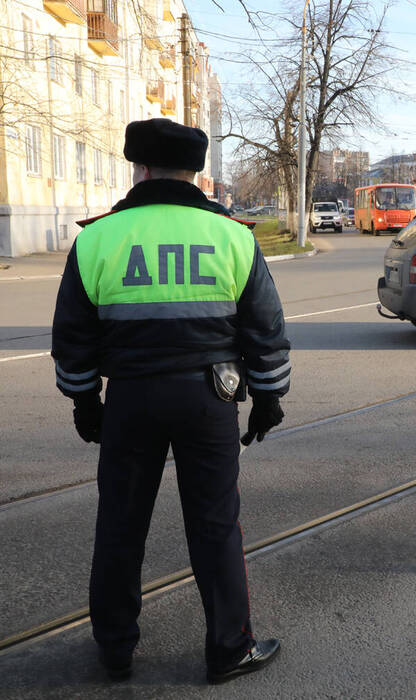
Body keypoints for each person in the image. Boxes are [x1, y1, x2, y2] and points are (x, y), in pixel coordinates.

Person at [51, 118, 290, 684]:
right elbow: (265, 329)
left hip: (131, 400)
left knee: (120, 524)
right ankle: (229, 648)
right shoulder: (233, 236)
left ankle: (114, 649)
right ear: (196, 172)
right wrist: (269, 396)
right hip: (210, 398)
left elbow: (73, 339)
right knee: (215, 525)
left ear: (140, 168)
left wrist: (85, 403)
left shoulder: (97, 239)